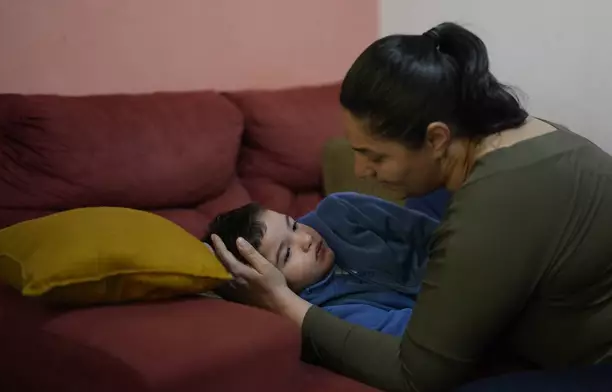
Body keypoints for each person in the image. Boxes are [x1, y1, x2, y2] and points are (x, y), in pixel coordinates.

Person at [210, 22, 612, 391]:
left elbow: (417, 374)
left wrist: (282, 302)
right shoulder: (531, 133)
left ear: (437, 138)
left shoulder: (490, 205)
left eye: (376, 156)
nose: (361, 170)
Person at [203, 192, 447, 337]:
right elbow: (415, 333)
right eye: (287, 254)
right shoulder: (326, 313)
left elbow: (431, 233)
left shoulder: (341, 210)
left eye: (294, 224)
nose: (306, 239)